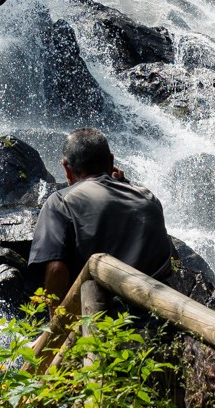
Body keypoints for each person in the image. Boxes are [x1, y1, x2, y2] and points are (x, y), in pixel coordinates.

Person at [28, 126, 172, 304]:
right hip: (158, 312)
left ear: (66, 167)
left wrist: (59, 320)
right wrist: (122, 183)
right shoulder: (148, 197)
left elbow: (56, 269)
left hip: (103, 314)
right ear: (111, 161)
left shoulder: (60, 202)